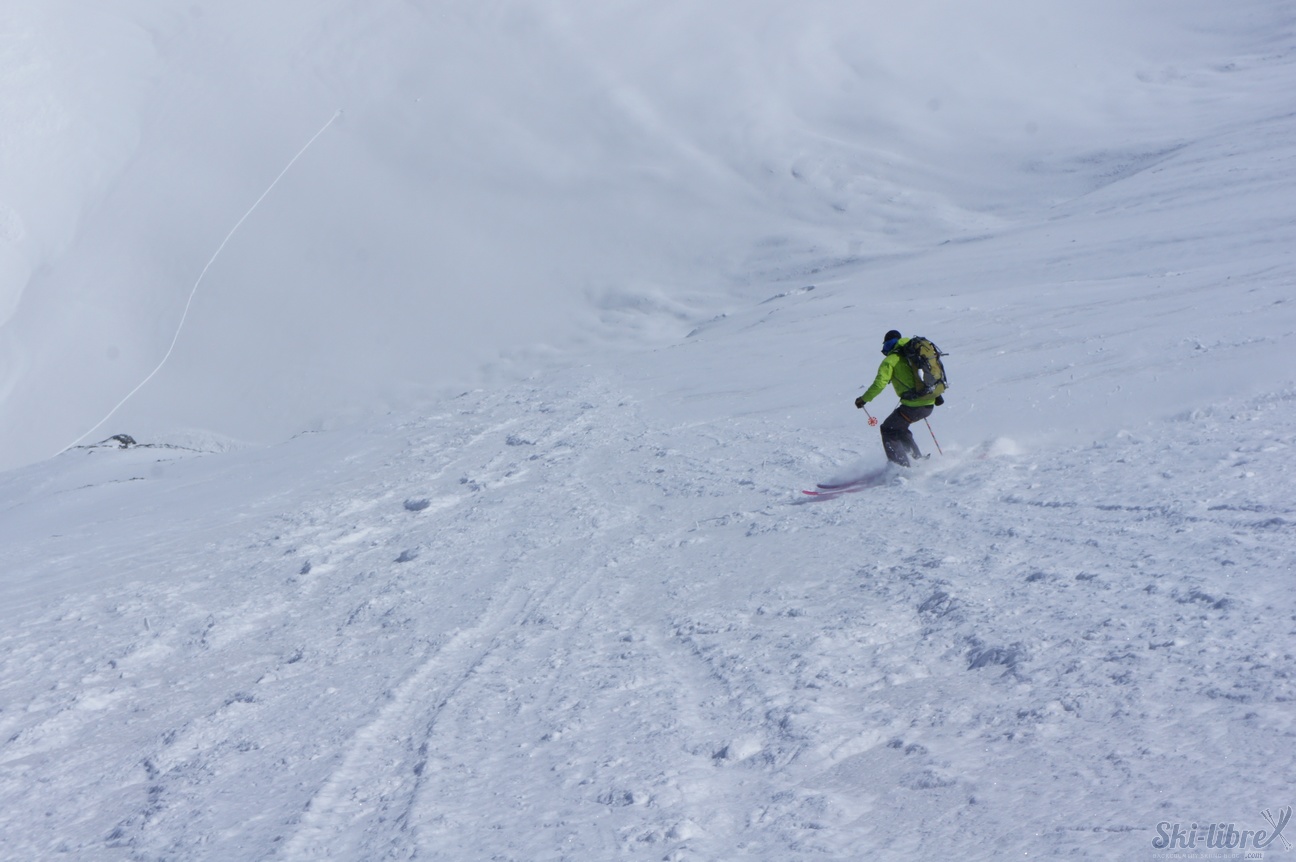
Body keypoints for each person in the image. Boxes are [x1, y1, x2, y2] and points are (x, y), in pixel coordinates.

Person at [854, 330, 939, 467]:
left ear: (887, 344)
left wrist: (863, 399)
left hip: (913, 406)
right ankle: (917, 459)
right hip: (929, 402)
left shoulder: (891, 360)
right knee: (899, 427)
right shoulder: (914, 353)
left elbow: (879, 384)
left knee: (888, 429)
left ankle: (900, 466)